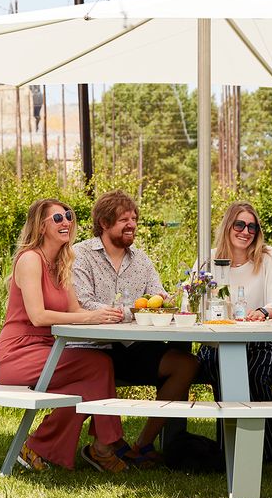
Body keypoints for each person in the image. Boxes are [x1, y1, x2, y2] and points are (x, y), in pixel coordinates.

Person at [0, 198, 131, 472]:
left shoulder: (63, 262)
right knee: (98, 364)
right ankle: (106, 446)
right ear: (41, 226)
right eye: (57, 218)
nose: (66, 222)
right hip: (17, 354)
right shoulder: (31, 259)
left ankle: (37, 447)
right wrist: (90, 318)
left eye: (68, 216)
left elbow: (74, 310)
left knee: (86, 384)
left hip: (47, 349)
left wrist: (106, 315)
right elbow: (38, 316)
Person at [69, 191, 199, 468]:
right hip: (91, 347)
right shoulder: (80, 255)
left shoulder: (141, 260)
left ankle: (143, 444)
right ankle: (104, 446)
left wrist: (171, 300)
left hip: (130, 346)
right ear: (104, 223)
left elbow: (159, 299)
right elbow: (83, 303)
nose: (132, 224)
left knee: (186, 364)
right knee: (100, 364)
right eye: (123, 219)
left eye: (134, 219)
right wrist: (135, 311)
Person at [194, 202, 272, 464]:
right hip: (217, 343)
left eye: (252, 226)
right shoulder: (209, 258)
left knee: (251, 373)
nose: (246, 231)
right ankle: (233, 451)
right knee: (223, 368)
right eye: (239, 224)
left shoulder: (267, 257)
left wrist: (264, 311)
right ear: (228, 226)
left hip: (260, 342)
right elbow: (192, 298)